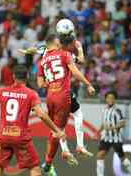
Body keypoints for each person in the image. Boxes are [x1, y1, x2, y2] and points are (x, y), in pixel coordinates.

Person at [0, 64, 65, 176]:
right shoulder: (31, 94)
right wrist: (56, 130)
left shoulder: (2, 91)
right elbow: (41, 115)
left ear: (13, 76)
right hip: (21, 138)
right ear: (27, 77)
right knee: (35, 168)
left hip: (4, 136)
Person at [37, 34, 95, 175]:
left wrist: (52, 83)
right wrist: (88, 84)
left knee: (55, 128)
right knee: (59, 130)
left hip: (50, 96)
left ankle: (60, 154)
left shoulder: (42, 61)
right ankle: (50, 162)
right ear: (55, 43)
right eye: (58, 41)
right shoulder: (64, 54)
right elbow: (75, 70)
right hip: (63, 96)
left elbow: (40, 84)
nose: (60, 43)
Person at [96, 91, 131, 176]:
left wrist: (112, 128)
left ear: (115, 100)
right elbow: (104, 123)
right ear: (106, 99)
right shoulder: (104, 110)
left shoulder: (117, 110)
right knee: (100, 155)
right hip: (106, 138)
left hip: (115, 138)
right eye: (108, 98)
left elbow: (123, 123)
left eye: (112, 98)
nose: (110, 99)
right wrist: (98, 131)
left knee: (122, 157)